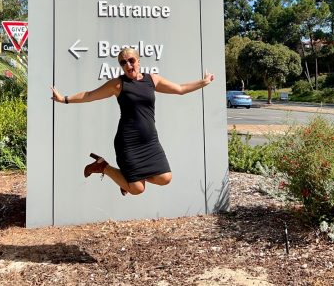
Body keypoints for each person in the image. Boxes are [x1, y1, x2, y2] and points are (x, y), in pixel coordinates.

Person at [50, 47, 214, 196]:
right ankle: (103, 167)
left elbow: (180, 89)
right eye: (123, 62)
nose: (128, 65)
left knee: (165, 178)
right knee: (137, 189)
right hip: (128, 142)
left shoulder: (152, 80)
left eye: (131, 60)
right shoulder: (118, 84)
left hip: (150, 142)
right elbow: (89, 95)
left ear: (138, 61)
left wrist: (203, 82)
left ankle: (126, 178)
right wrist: (64, 99)